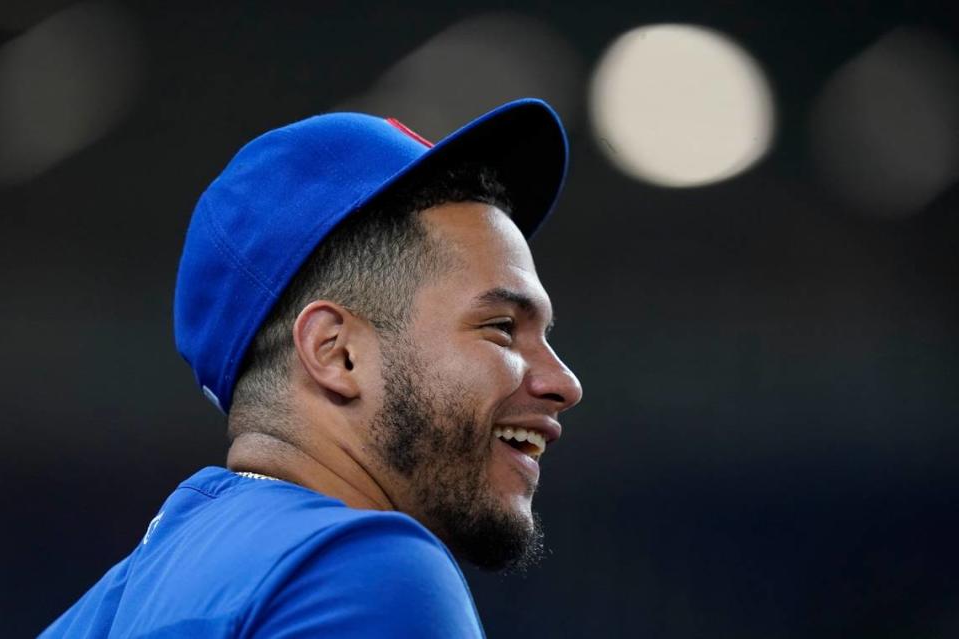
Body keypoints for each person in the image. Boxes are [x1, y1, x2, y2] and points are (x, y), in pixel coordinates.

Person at [41, 98, 582, 638]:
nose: (564, 383)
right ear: (336, 352)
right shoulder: (367, 571)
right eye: (502, 328)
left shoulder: (97, 613)